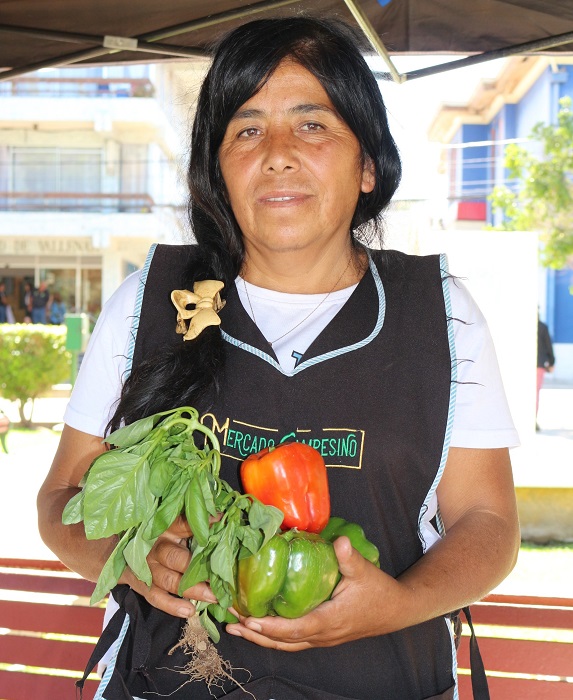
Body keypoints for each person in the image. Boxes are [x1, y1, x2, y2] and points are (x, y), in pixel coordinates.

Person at [37, 16, 520, 700]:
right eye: (247, 129)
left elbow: (488, 523)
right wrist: (132, 562)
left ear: (367, 165)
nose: (278, 153)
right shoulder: (152, 299)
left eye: (312, 123)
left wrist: (400, 604)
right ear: (218, 170)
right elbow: (60, 502)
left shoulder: (437, 313)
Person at [536, 315, 555, 430]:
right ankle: (533, 419)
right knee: (535, 393)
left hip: (534, 365)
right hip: (539, 365)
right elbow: (549, 346)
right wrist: (551, 362)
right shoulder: (542, 327)